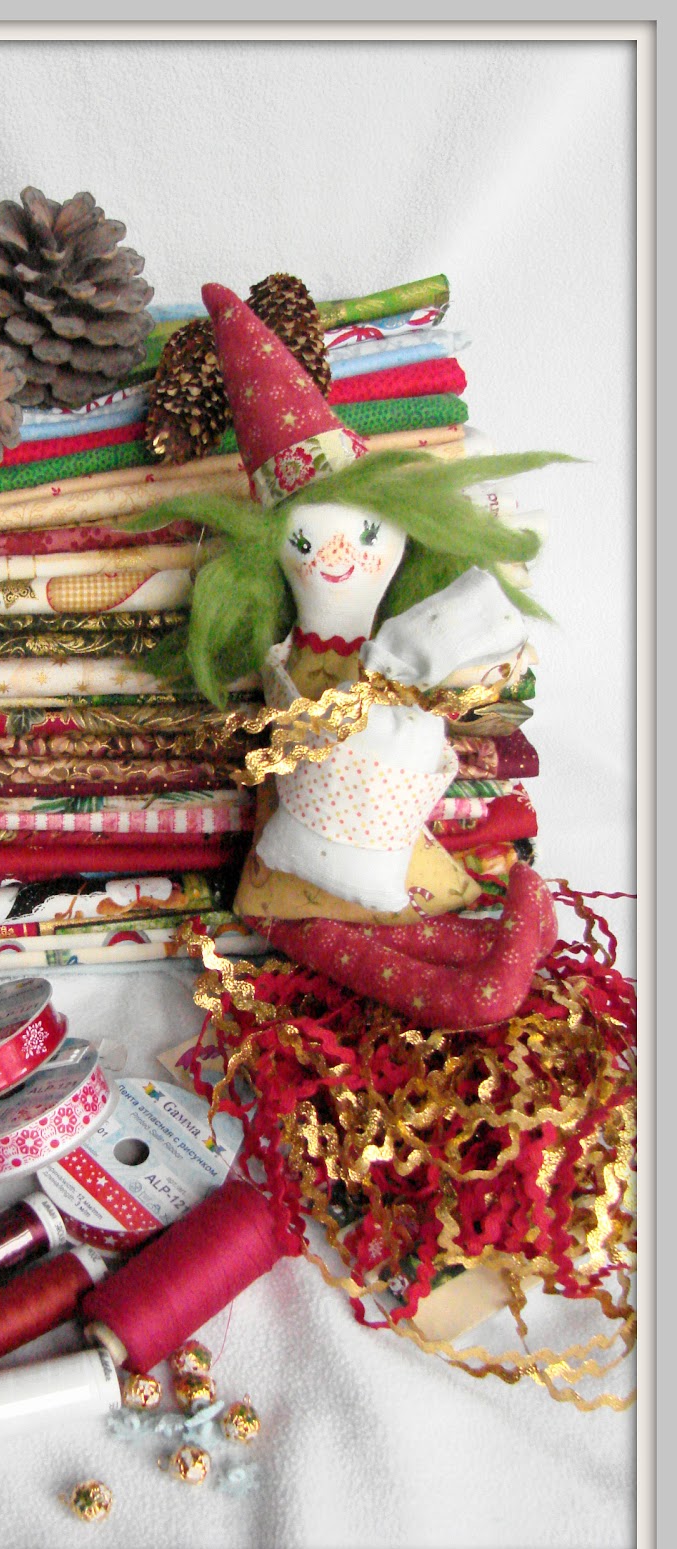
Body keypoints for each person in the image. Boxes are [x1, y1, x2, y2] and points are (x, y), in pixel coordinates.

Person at [144, 281, 571, 1029]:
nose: (339, 556)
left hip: (373, 865)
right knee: (360, 933)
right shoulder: (284, 664)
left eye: (369, 536)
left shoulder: (406, 648)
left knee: (411, 894)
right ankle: (480, 975)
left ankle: (496, 952)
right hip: (279, 895)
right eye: (305, 543)